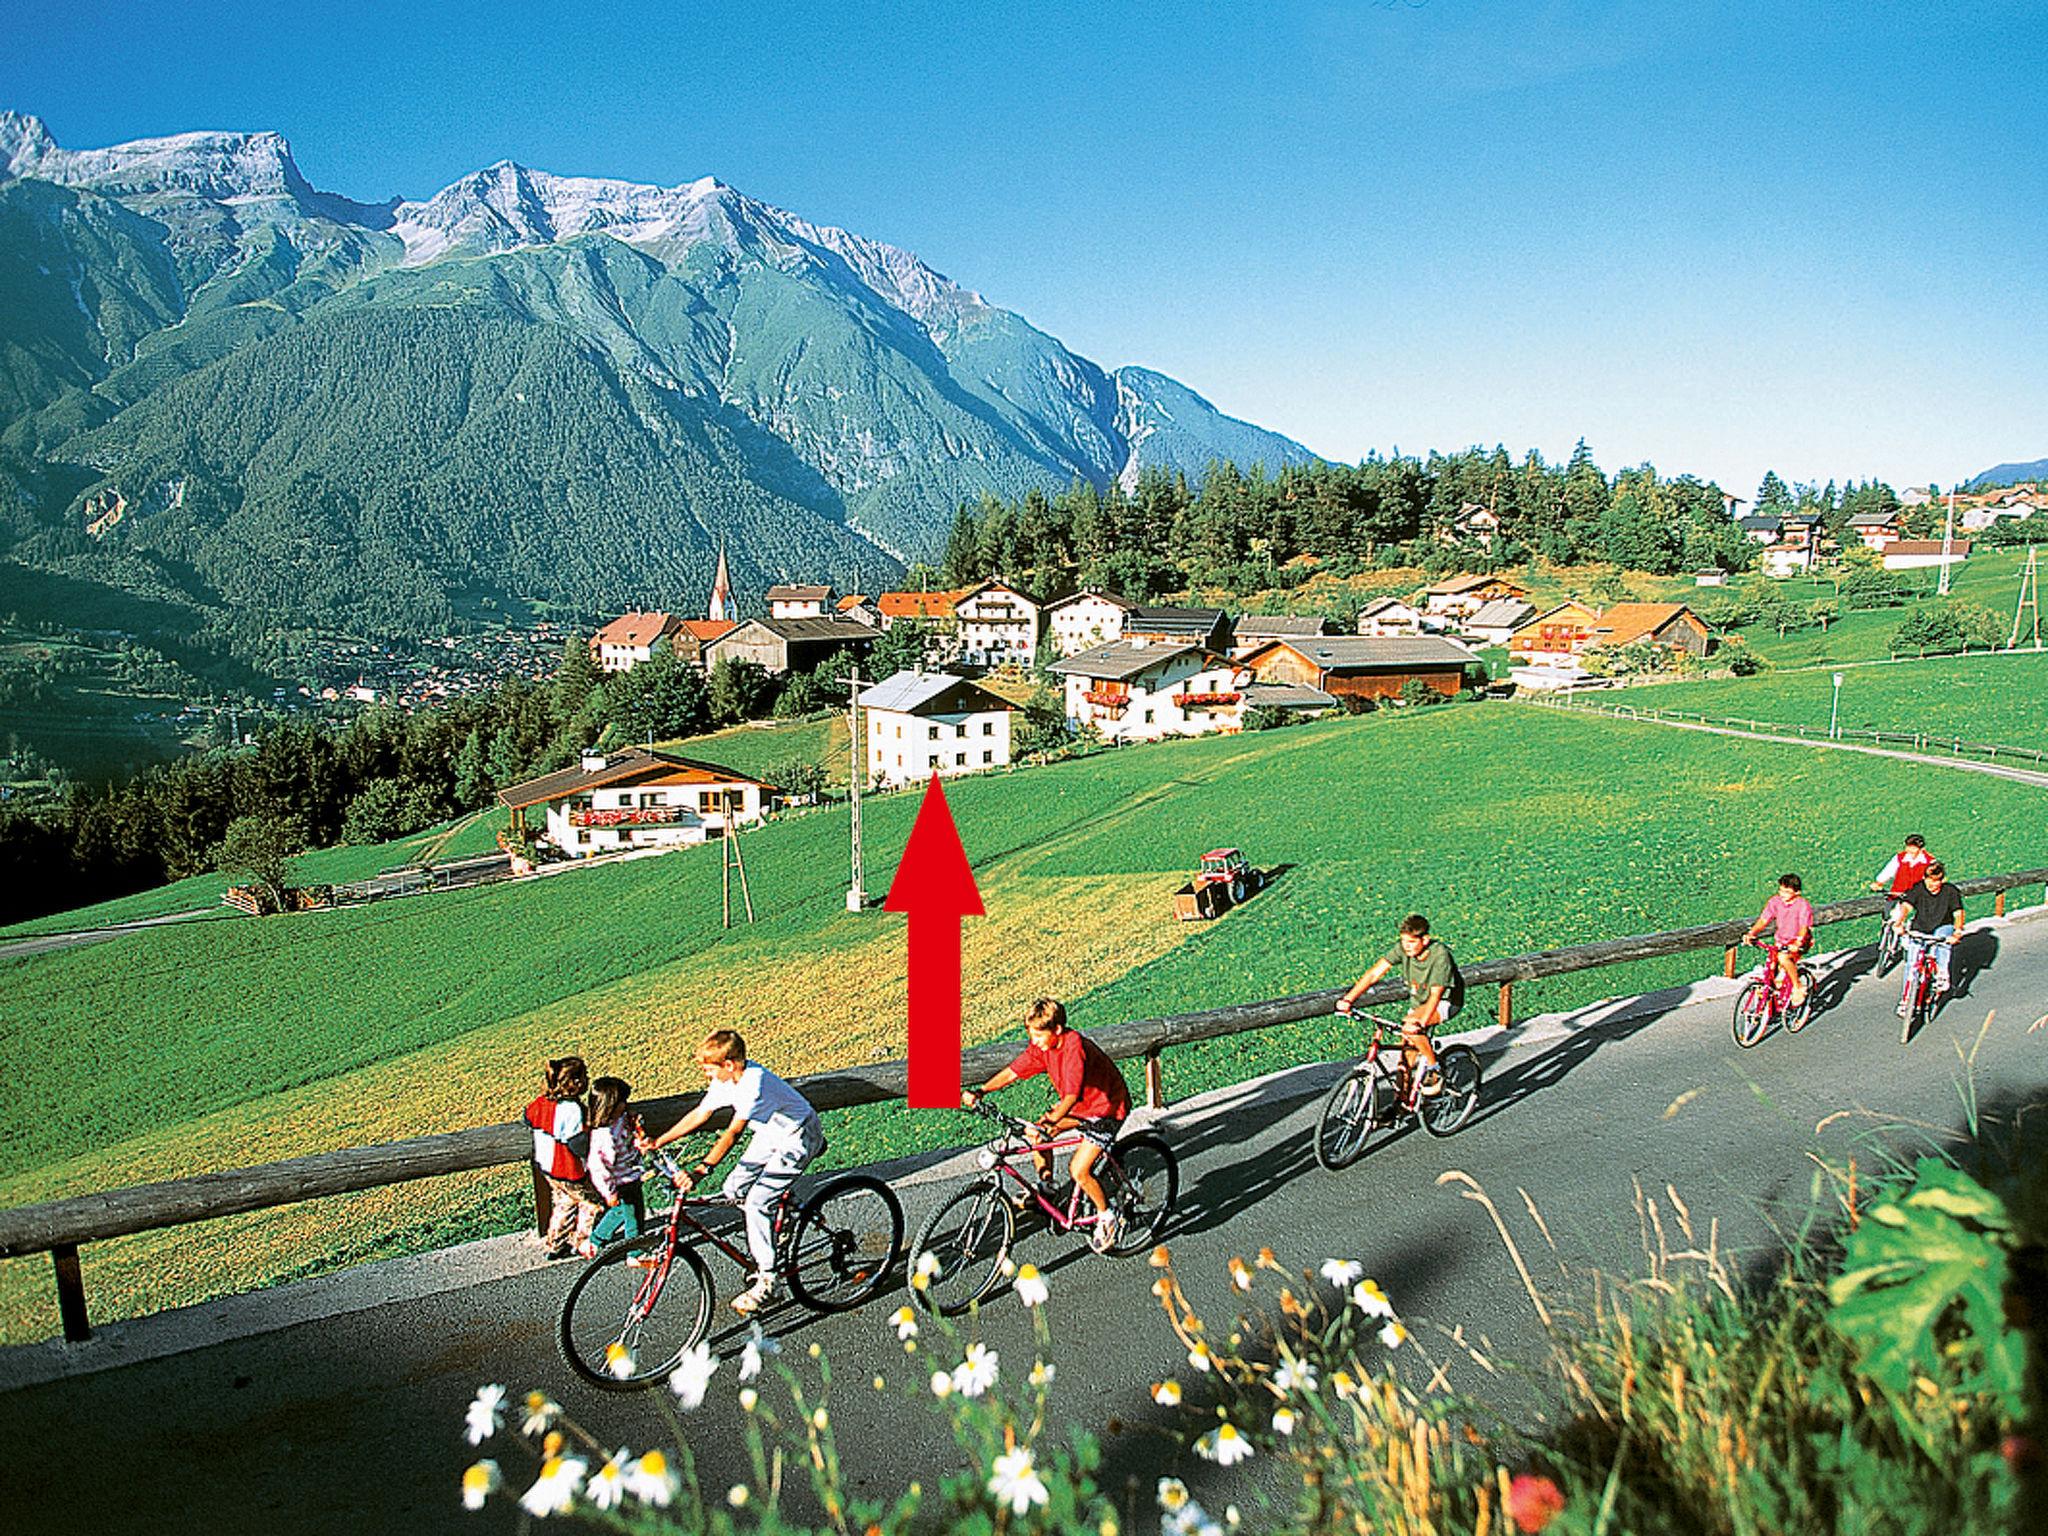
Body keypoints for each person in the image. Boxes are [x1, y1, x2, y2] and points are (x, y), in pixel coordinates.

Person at [640, 1030, 825, 1315]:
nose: (705, 1074)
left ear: (729, 1064)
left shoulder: (754, 1083)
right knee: (733, 1190)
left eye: (708, 1068)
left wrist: (702, 1170)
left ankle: (769, 1279)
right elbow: (700, 1114)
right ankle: (782, 1216)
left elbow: (733, 1132)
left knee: (756, 1201)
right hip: (770, 1133)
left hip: (798, 1135)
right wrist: (658, 1141)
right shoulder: (724, 1079)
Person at [963, 998, 1133, 1253]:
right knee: (1039, 1137)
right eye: (1031, 1035)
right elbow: (1012, 1072)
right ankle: (1048, 1190)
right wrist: (981, 1091)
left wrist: (1050, 1122)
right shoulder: (1043, 1047)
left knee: (1079, 1170)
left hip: (1107, 1109)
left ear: (1057, 1030)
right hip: (1080, 1108)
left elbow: (1070, 1097)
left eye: (1038, 1036)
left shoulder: (1074, 1047)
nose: (1034, 1042)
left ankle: (1107, 1217)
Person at [1336, 913, 1464, 1094]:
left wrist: (1420, 1023)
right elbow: (1375, 973)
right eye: (1404, 941)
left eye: (1411, 942)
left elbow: (1436, 995)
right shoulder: (1404, 949)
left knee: (1410, 1026)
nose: (1406, 947)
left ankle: (1435, 1068)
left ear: (1425, 940)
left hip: (1446, 1001)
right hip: (1419, 1003)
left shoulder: (1440, 955)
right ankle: (1400, 1105)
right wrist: (1349, 999)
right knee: (1404, 1060)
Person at [525, 1055, 604, 1260]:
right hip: (568, 1169)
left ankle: (555, 1243)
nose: (587, 1079)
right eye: (584, 1076)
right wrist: (595, 1154)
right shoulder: (571, 1110)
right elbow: (576, 1143)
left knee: (564, 1203)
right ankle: (582, 1241)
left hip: (548, 1168)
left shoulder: (541, 1103)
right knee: (591, 1202)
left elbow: (527, 1117)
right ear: (575, 1083)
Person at [1895, 861, 1965, 1015]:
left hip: (1942, 925)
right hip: (1921, 927)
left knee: (1942, 938)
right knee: (1912, 963)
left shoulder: (1950, 891)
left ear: (1942, 880)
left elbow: (1958, 912)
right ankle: (1906, 1000)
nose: (1933, 885)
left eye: (1937, 881)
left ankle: (1942, 974)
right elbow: (1906, 905)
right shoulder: (1918, 889)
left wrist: (1958, 931)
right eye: (1930, 880)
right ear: (1924, 878)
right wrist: (1899, 923)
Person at [586, 1076, 645, 1246]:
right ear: (610, 1106)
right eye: (622, 1102)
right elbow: (599, 1168)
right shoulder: (605, 1136)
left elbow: (627, 1124)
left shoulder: (619, 1119)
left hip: (630, 1174)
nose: (626, 1105)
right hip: (621, 1180)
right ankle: (635, 1250)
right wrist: (609, 1191)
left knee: (621, 1210)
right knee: (634, 1216)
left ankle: (596, 1240)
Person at [1744, 873, 1814, 1010]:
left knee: (1783, 958)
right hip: (1781, 941)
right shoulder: (1775, 902)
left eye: (1787, 892)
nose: (1783, 894)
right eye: (1781, 890)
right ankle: (1768, 1001)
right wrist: (1752, 933)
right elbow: (1764, 920)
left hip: (1798, 942)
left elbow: (1804, 927)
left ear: (1797, 892)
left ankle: (1798, 986)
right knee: (1771, 968)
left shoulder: (1802, 905)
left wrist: (1798, 942)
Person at [1869, 835, 1933, 926]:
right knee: (1890, 918)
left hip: (1917, 898)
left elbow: (1933, 879)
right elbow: (1888, 872)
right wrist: (1878, 883)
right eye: (1908, 847)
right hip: (1897, 894)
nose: (1910, 850)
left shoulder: (1929, 861)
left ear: (1921, 849)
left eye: (1913, 848)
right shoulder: (1900, 858)